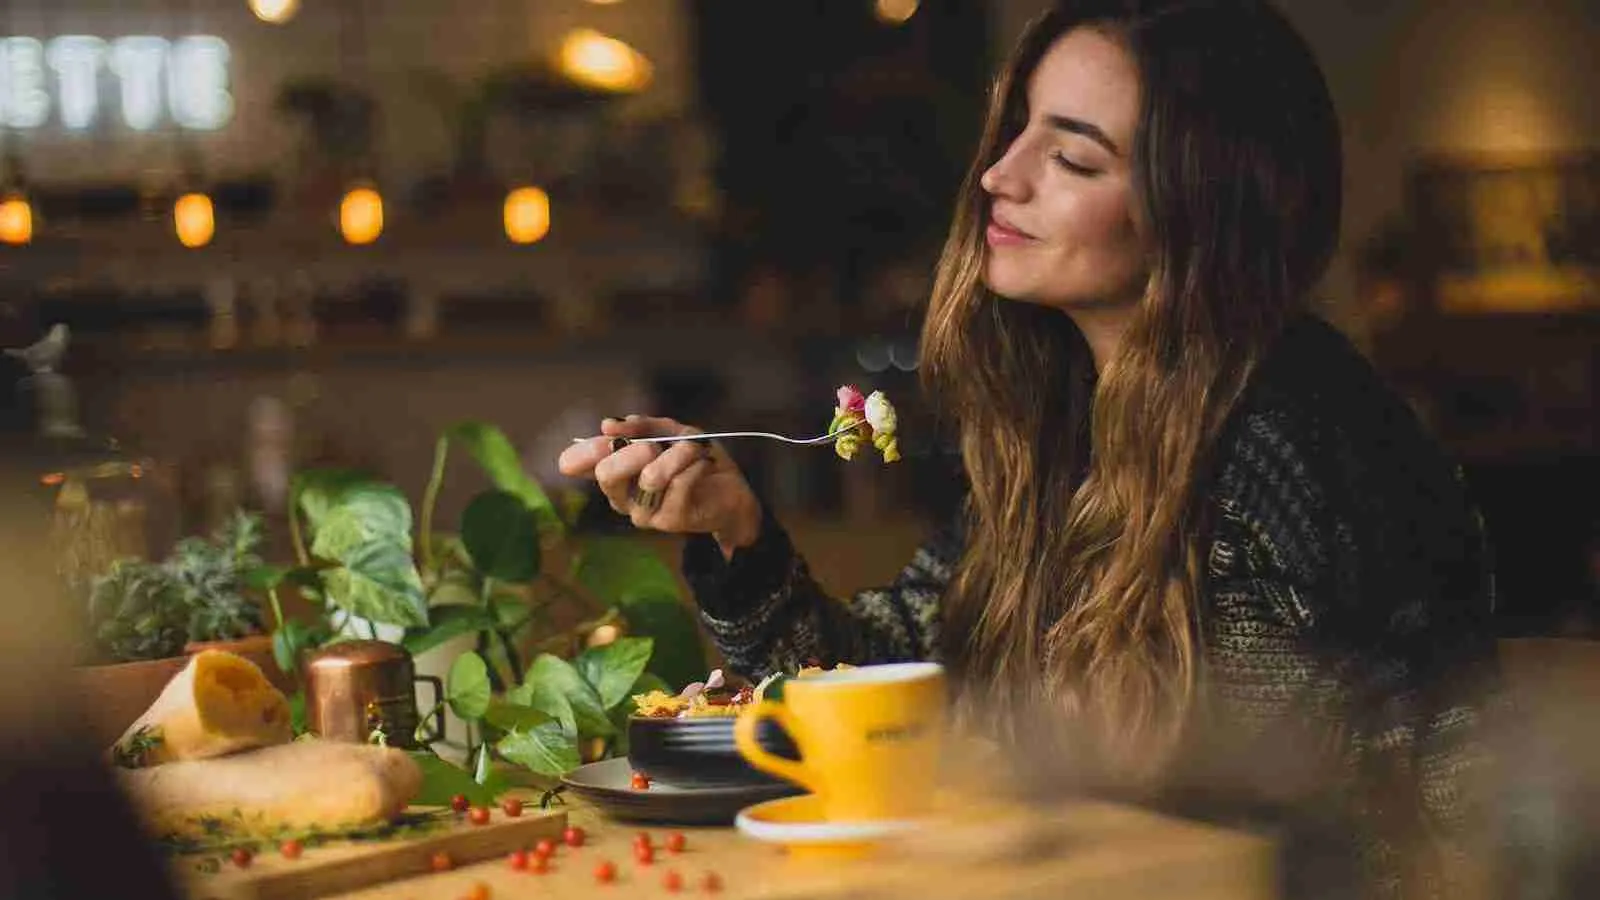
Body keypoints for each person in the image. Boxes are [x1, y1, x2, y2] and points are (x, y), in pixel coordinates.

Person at [559, 1, 1500, 896]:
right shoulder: (1072, 425)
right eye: (1016, 132)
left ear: (1199, 209)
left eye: (1073, 160)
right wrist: (737, 533)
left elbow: (1287, 821)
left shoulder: (1289, 447)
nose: (999, 177)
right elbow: (901, 679)